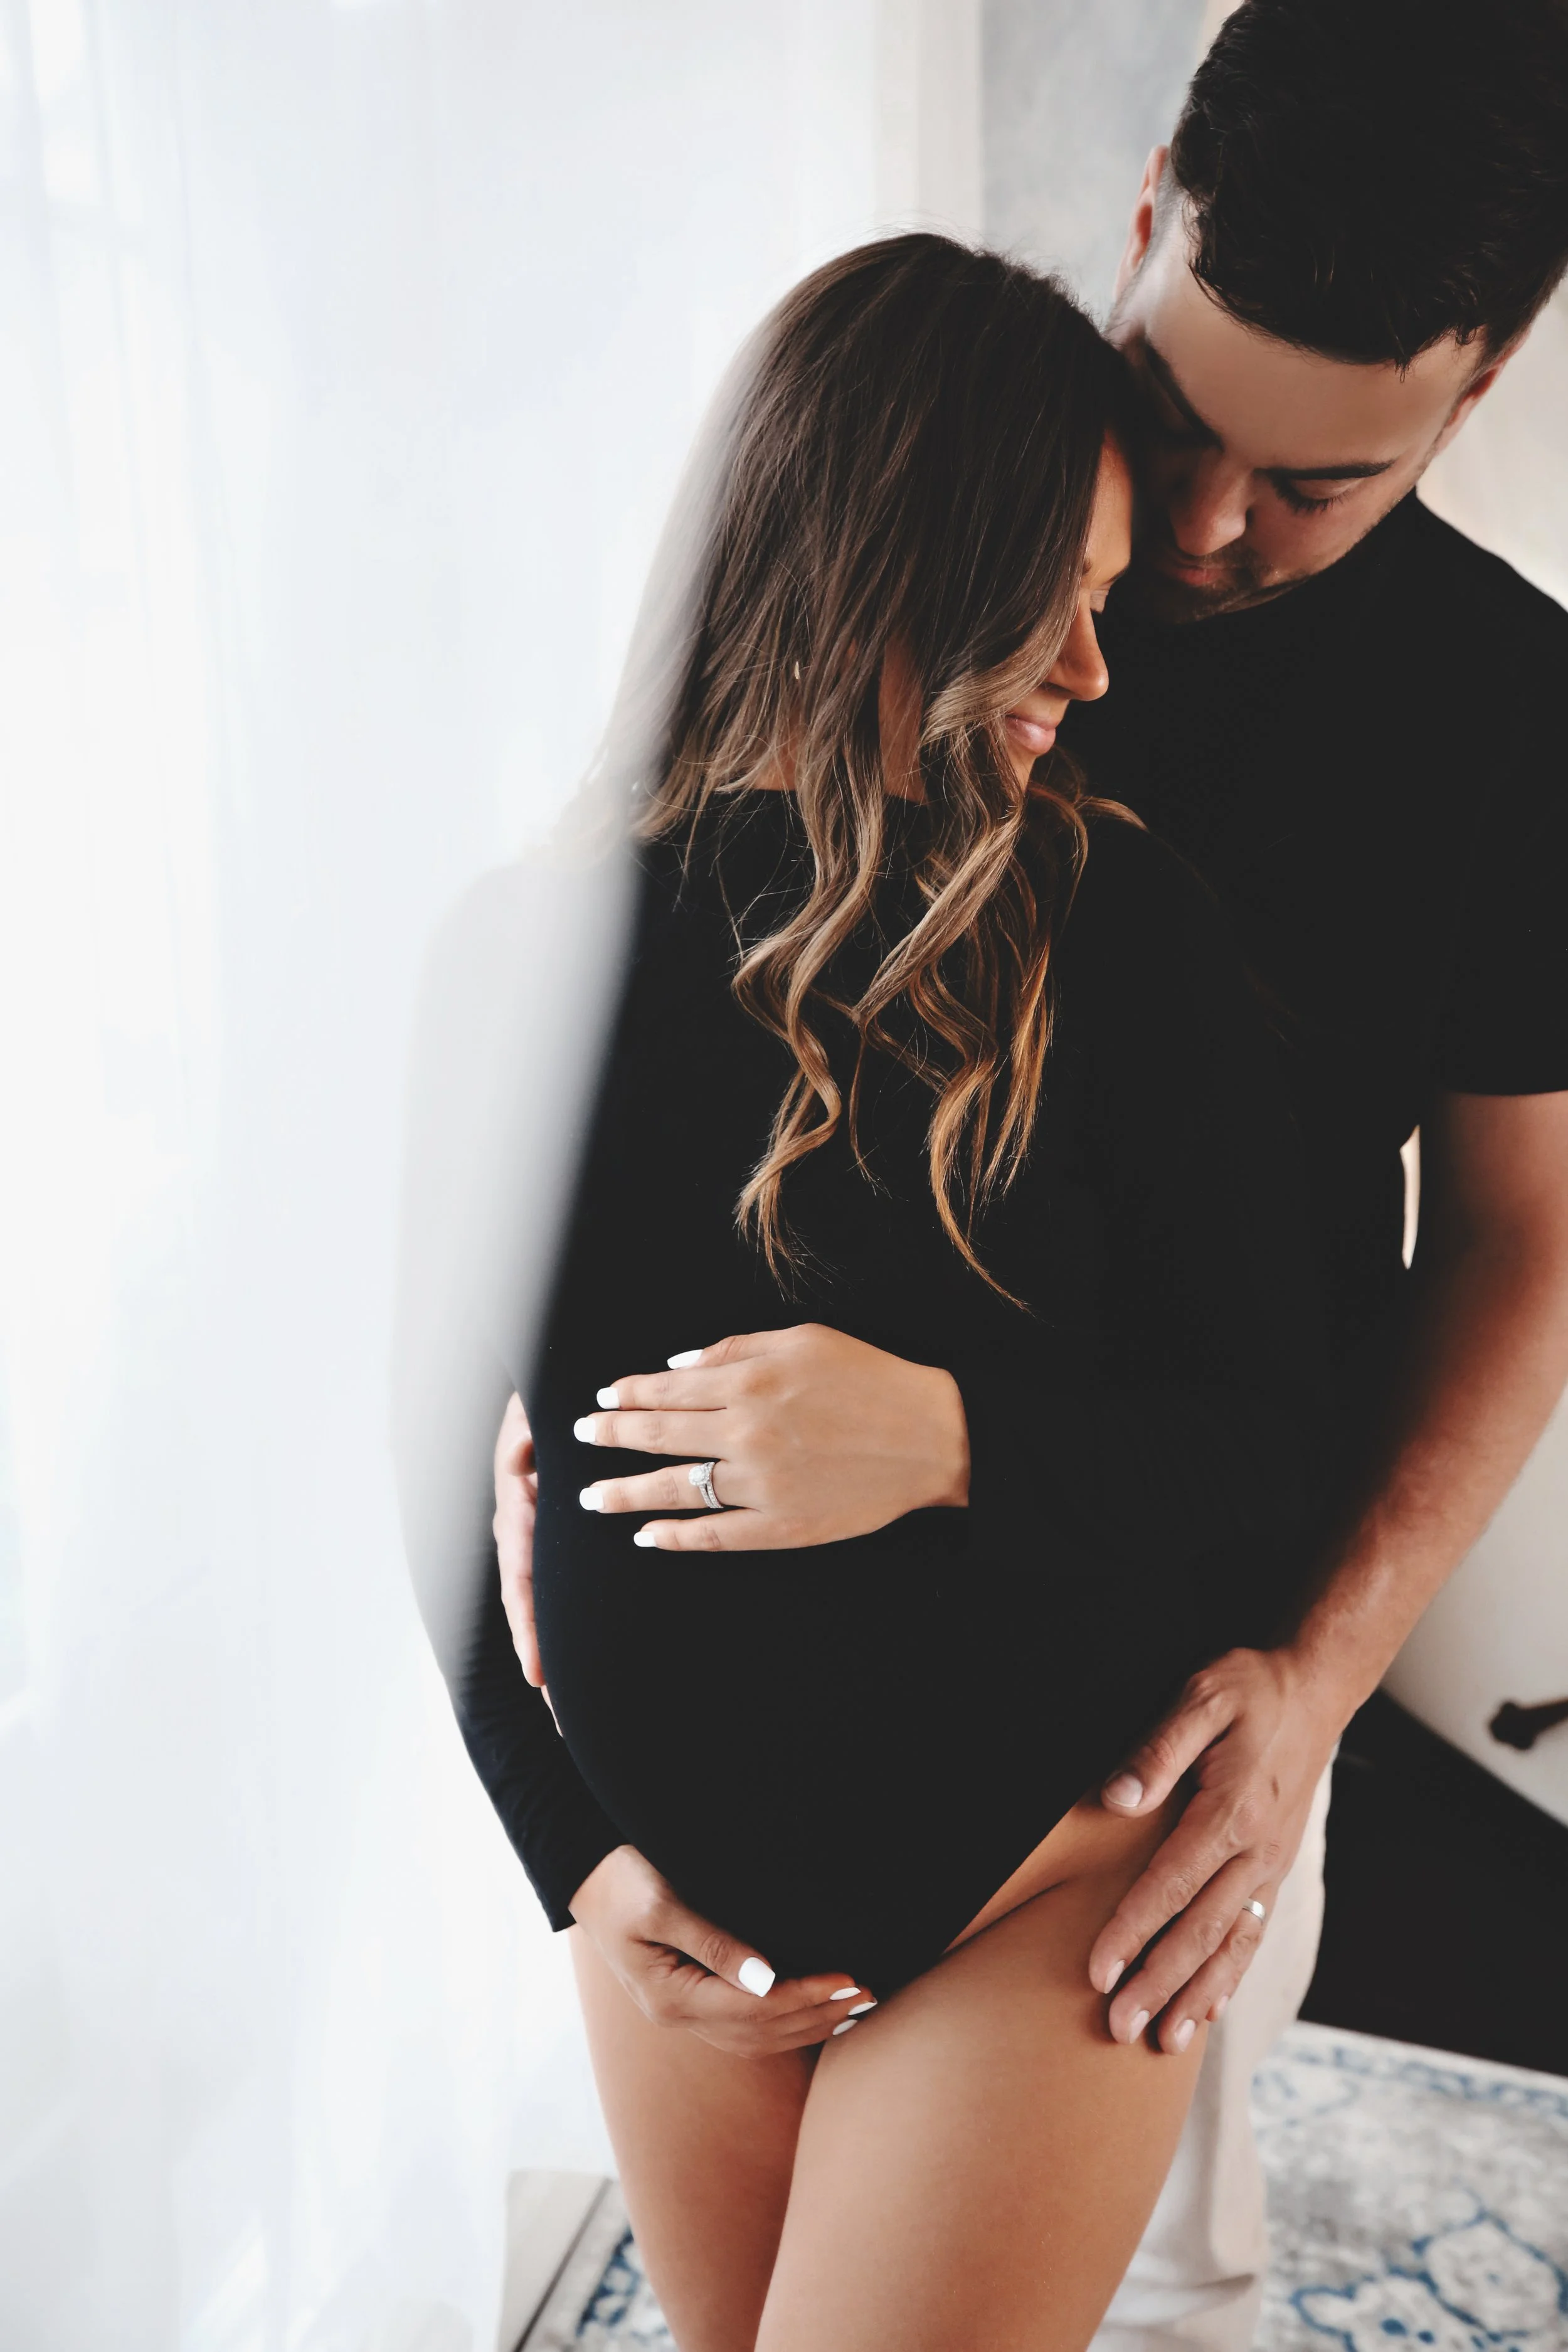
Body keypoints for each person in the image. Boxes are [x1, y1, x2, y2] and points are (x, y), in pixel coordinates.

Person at [492, 4, 1568, 2347]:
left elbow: (1514, 1244)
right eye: (1174, 426)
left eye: (1310, 490)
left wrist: (1305, 1683)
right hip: (725, 1811)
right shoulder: (910, 523)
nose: (1193, 540)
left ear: (1469, 395)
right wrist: (565, 1824)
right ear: (1150, 202)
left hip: (1147, 1676)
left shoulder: (1493, 732)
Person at [398, 233, 1335, 2352]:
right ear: (892, 556)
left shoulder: (1126, 939)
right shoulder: (512, 960)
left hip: (1033, 1884)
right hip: (681, 1920)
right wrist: (576, 1866)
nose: (1097, 678)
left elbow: (1276, 1442)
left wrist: (951, 1437)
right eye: (1062, 601)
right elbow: (431, 1472)